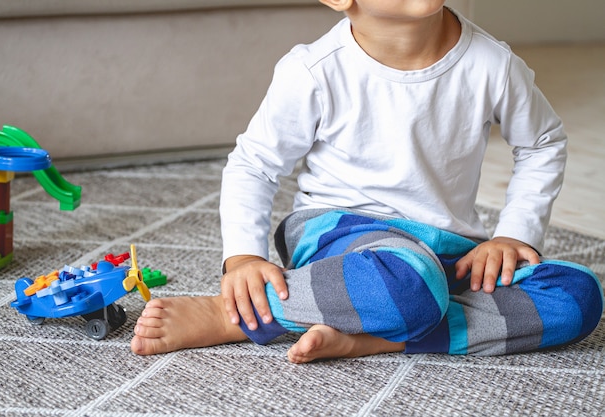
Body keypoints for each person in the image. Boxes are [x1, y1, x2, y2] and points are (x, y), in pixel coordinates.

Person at [130, 0, 603, 363]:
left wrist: (513, 235)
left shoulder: (493, 64)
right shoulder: (313, 70)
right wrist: (244, 258)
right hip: (341, 235)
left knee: (578, 294)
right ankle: (239, 316)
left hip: (446, 247)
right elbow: (254, 164)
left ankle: (375, 336)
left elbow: (542, 143)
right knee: (409, 281)